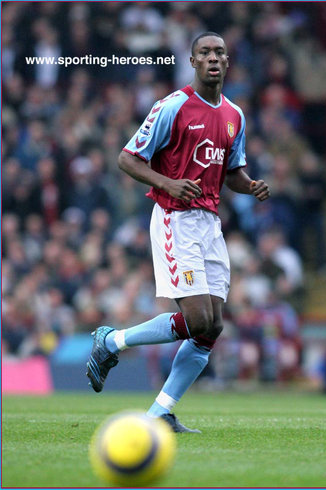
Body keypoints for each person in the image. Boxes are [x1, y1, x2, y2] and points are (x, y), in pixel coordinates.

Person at [86, 32, 270, 433]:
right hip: (175, 217)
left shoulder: (234, 114)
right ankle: (112, 341)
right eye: (205, 52)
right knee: (198, 317)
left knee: (213, 326)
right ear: (192, 61)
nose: (213, 58)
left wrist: (251, 184)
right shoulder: (173, 106)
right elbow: (127, 158)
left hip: (209, 222)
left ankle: (159, 414)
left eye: (220, 51)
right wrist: (168, 183)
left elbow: (232, 172)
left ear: (228, 61)